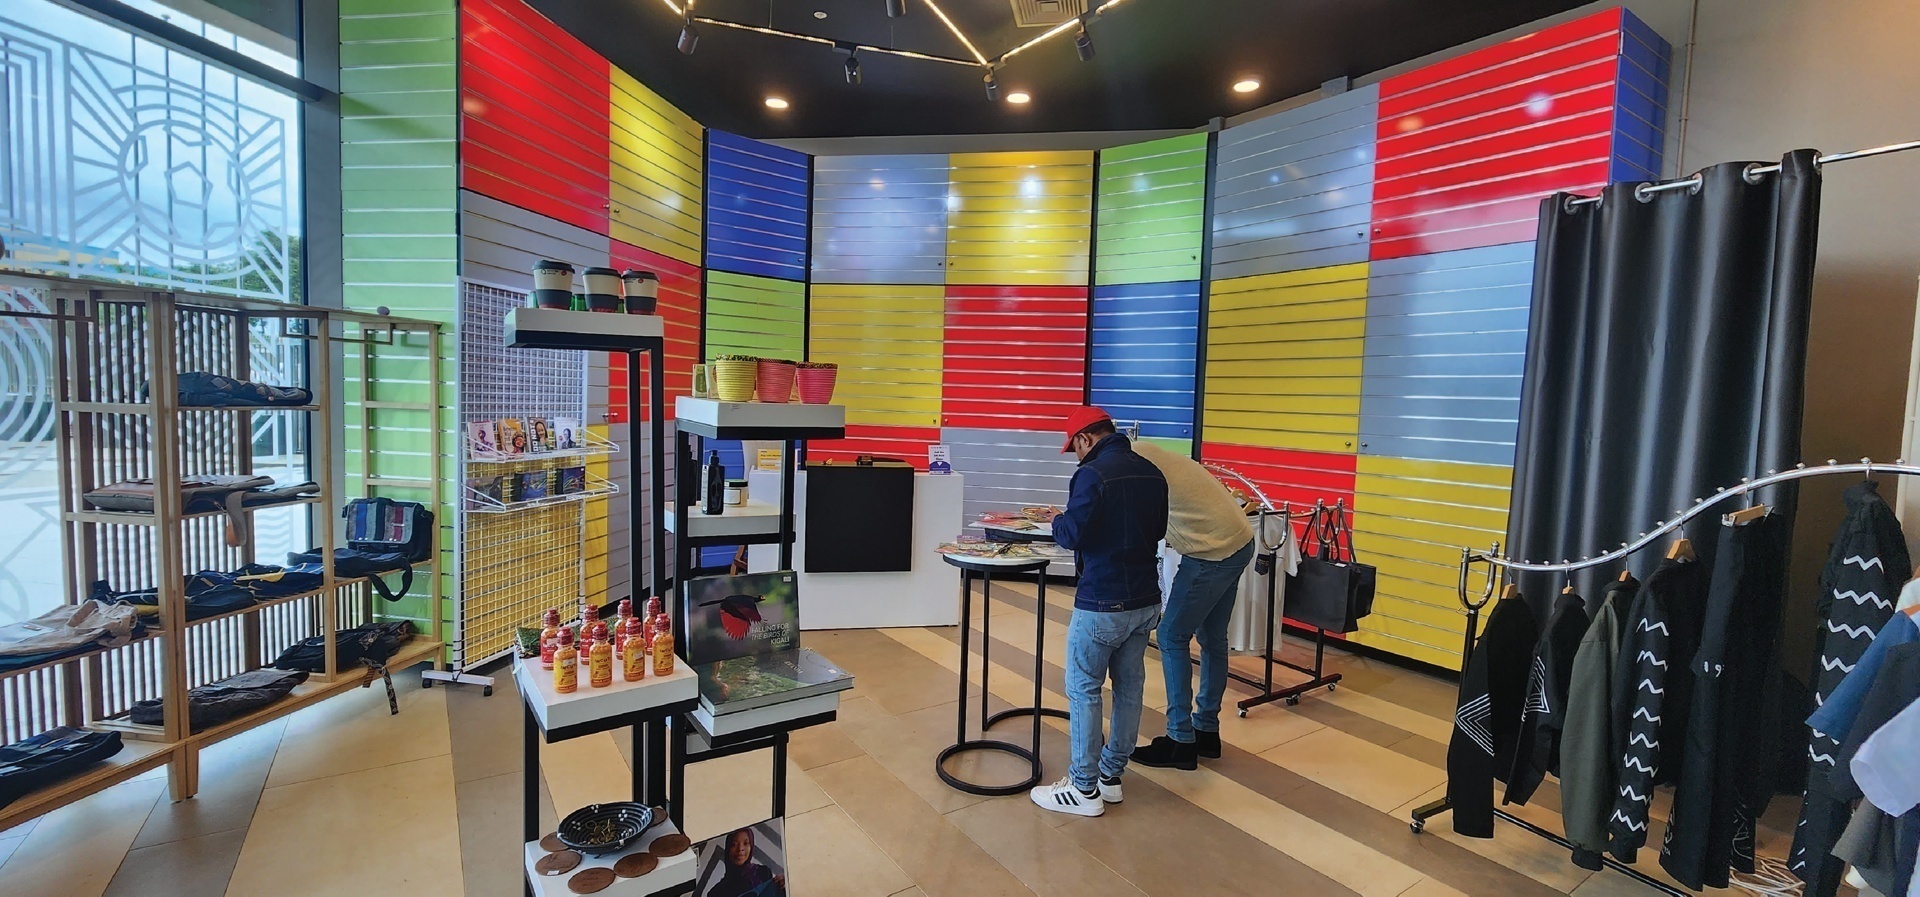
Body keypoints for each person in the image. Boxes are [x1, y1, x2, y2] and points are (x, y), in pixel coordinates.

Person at [1030, 406, 1168, 818]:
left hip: (1102, 601)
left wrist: (1058, 519)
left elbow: (1072, 535)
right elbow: (1159, 531)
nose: (1076, 455)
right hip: (1145, 599)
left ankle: (1083, 787)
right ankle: (1110, 777)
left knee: (1084, 689)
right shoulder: (1152, 472)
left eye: (1074, 447)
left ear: (1085, 439)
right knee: (1129, 688)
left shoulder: (1091, 474)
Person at [1128, 441, 1257, 770]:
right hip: (1238, 540)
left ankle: (1180, 740)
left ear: (1087, 442)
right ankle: (1207, 731)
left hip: (1211, 550)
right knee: (1213, 638)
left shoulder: (1131, 465)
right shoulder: (1143, 452)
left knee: (1171, 635)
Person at [704, 827, 784, 897]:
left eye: (745, 843)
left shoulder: (763, 872)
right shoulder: (716, 892)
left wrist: (783, 885)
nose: (740, 849)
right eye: (734, 844)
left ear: (751, 847)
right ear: (728, 849)